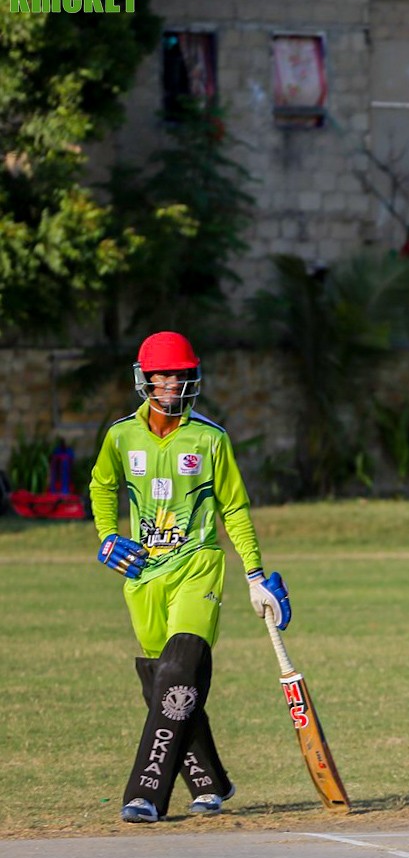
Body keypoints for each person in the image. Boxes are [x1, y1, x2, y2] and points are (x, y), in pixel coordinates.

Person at [89, 331, 291, 824]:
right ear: (145, 379)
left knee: (178, 670)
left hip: (198, 565)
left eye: (181, 376)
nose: (173, 385)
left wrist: (254, 573)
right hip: (142, 574)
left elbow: (234, 508)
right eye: (164, 376)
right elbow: (101, 486)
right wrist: (107, 536)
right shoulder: (120, 436)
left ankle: (145, 794)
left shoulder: (210, 438)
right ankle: (210, 781)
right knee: (164, 684)